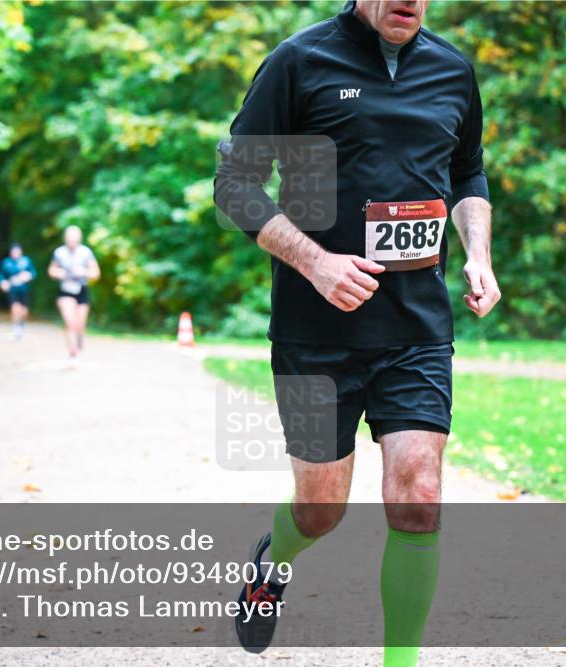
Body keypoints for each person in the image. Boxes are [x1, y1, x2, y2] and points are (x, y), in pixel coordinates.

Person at [214, 2, 501, 666]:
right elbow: (234, 182)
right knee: (320, 510)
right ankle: (273, 559)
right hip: (314, 334)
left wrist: (478, 255)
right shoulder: (299, 62)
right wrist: (316, 262)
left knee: (419, 498)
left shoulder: (452, 70)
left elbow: (467, 172)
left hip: (416, 327)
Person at [48, 225, 100, 358]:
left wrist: (83, 272)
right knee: (70, 322)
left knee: (79, 324)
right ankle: (73, 352)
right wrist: (58, 273)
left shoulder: (85, 252)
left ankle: (79, 338)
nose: (71, 242)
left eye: (74, 239)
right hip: (65, 290)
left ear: (79, 239)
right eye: (69, 239)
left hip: (82, 289)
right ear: (65, 239)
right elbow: (51, 270)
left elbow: (96, 273)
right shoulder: (59, 252)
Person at [0, 242, 36, 341]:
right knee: (15, 308)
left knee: (24, 311)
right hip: (13, 289)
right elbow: (0, 275)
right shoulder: (6, 263)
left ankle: (21, 324)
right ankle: (16, 328)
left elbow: (33, 272)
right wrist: (2, 282)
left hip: (24, 289)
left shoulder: (26, 261)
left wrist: (29, 276)